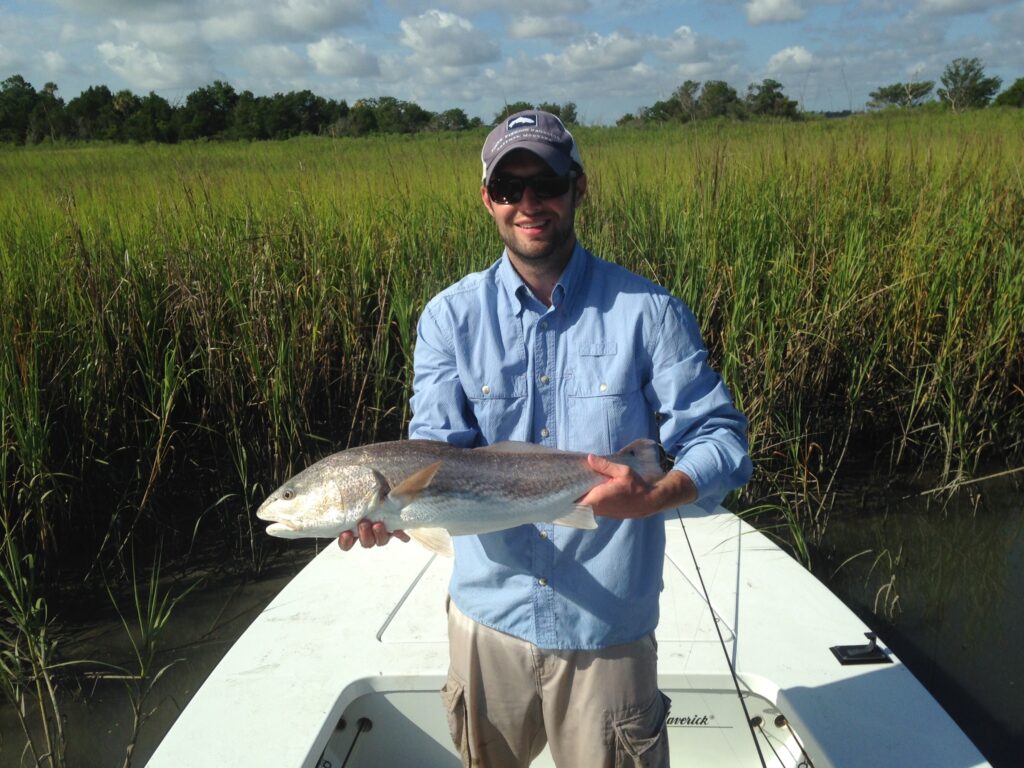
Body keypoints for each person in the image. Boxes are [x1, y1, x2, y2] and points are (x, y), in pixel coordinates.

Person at [338, 110, 751, 767]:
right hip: (486, 620)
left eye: (546, 183)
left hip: (606, 631)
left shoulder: (650, 313)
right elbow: (432, 452)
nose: (528, 204)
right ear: (487, 200)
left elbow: (722, 441)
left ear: (578, 187)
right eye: (508, 188)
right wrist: (386, 511)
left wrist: (657, 494)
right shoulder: (449, 318)